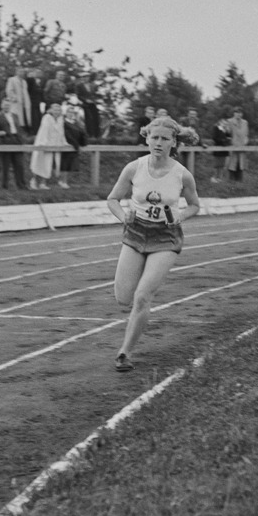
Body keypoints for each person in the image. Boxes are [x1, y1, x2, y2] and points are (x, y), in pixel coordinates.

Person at [106, 116, 201, 372]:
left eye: (164, 139)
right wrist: (122, 216)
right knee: (122, 298)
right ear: (146, 139)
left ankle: (125, 352)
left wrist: (180, 215)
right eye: (154, 137)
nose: (158, 143)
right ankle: (130, 333)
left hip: (166, 237)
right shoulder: (133, 168)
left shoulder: (183, 174)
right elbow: (113, 198)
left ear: (173, 143)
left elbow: (195, 205)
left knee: (142, 297)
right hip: (136, 233)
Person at [30, 103, 67, 189]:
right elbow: (44, 130)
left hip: (56, 145)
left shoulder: (61, 119)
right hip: (44, 143)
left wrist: (64, 142)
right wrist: (43, 143)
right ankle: (33, 181)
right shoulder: (46, 118)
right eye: (55, 109)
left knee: (49, 164)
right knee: (39, 163)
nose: (57, 111)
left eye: (58, 110)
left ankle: (43, 183)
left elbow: (61, 133)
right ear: (50, 110)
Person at [0, 98, 26, 189]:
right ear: (1, 106)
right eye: (5, 105)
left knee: (19, 164)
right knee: (6, 165)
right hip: (6, 140)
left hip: (17, 140)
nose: (6, 106)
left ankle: (21, 185)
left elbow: (19, 128)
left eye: (8, 105)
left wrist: (20, 138)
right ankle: (5, 185)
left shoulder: (15, 116)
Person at [59, 107, 88, 188]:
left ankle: (65, 181)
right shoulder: (64, 123)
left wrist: (82, 144)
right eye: (69, 112)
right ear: (66, 113)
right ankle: (62, 181)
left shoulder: (76, 123)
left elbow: (82, 133)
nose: (71, 114)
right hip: (67, 146)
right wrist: (76, 145)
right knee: (64, 165)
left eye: (72, 112)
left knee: (70, 165)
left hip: (74, 147)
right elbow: (67, 135)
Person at [5, 66, 32, 132]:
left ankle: (25, 131)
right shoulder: (12, 79)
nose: (21, 73)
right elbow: (9, 90)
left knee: (25, 118)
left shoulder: (24, 81)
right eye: (20, 71)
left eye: (23, 71)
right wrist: (14, 98)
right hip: (16, 102)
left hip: (24, 102)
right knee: (17, 118)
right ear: (16, 72)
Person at [75, 71, 101, 138]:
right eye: (83, 77)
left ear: (89, 78)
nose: (85, 78)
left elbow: (96, 94)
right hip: (85, 105)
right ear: (82, 78)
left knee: (96, 119)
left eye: (86, 77)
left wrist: (95, 100)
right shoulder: (79, 86)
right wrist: (85, 100)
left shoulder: (92, 85)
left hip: (93, 104)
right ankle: (89, 135)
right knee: (88, 119)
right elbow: (78, 95)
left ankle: (97, 135)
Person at [227, 108, 249, 181]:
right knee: (232, 164)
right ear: (234, 113)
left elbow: (246, 134)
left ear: (242, 114)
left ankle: (239, 181)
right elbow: (227, 134)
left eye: (240, 112)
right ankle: (231, 181)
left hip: (242, 146)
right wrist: (231, 142)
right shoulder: (229, 121)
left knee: (241, 164)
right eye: (236, 112)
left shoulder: (245, 122)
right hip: (233, 145)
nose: (238, 114)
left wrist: (245, 141)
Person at [211, 117, 231, 182]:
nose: (225, 124)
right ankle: (214, 177)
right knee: (216, 164)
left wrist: (227, 132)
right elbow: (214, 138)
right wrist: (223, 141)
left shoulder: (226, 129)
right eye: (223, 122)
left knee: (222, 165)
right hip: (217, 149)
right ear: (220, 122)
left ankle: (220, 178)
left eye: (226, 123)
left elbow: (229, 138)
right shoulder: (216, 128)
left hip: (224, 150)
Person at [26, 68, 44, 135]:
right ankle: (34, 133)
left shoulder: (38, 81)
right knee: (34, 118)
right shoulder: (30, 80)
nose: (38, 74)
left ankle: (37, 132)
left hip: (37, 103)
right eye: (36, 72)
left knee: (37, 118)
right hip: (32, 102)